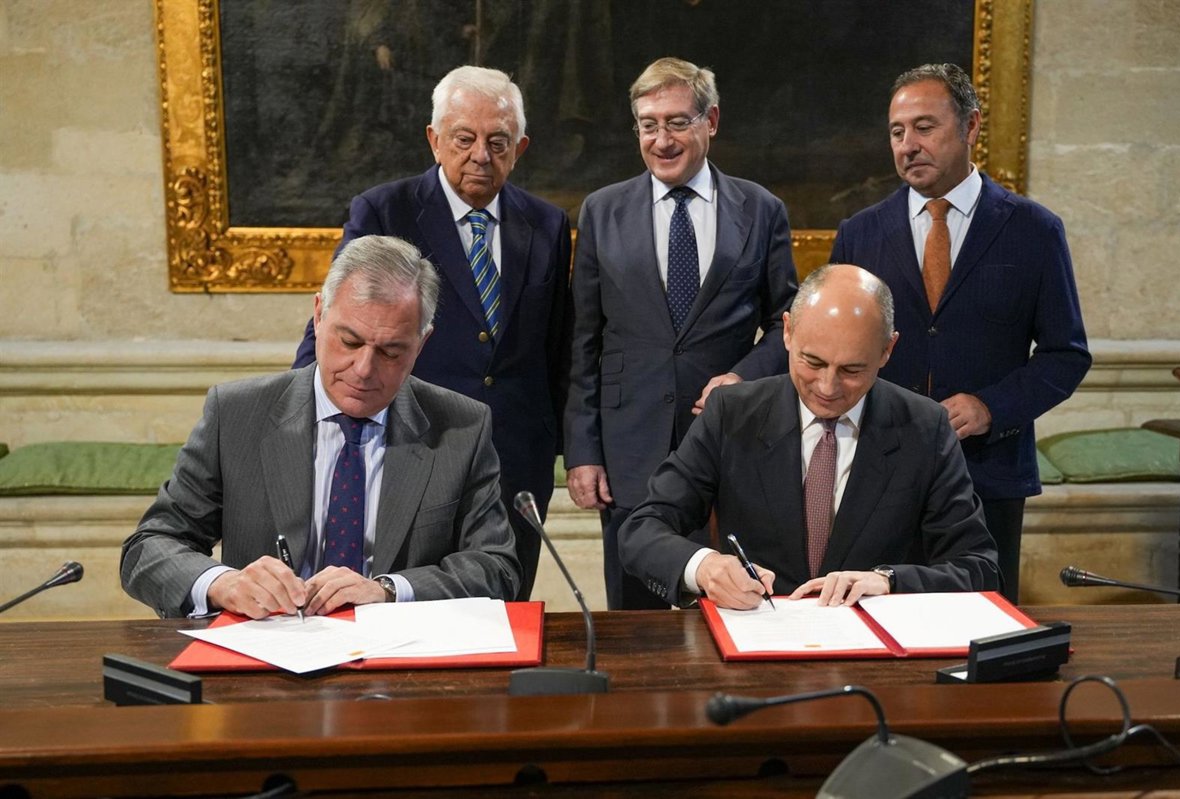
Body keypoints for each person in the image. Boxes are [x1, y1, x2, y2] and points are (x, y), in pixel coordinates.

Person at [122, 235, 521, 619]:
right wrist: (222, 583)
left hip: (399, 653)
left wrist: (389, 590)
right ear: (318, 315)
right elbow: (150, 547)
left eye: (390, 352)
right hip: (267, 649)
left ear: (421, 343)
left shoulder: (462, 427)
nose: (363, 369)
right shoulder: (236, 415)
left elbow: (497, 568)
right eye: (350, 342)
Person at [292, 66, 572, 602]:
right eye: (464, 139)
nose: (481, 156)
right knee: (403, 599)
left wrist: (570, 449)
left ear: (520, 148)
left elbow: (559, 346)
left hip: (517, 456)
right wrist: (295, 416)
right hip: (416, 442)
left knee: (502, 606)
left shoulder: (548, 224)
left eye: (498, 142)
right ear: (434, 139)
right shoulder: (385, 210)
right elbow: (335, 317)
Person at [829, 63, 1090, 603]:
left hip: (988, 474)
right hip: (876, 472)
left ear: (971, 126)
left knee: (981, 629)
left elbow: (1066, 355)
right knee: (874, 622)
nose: (908, 145)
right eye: (897, 132)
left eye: (924, 127)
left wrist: (991, 408)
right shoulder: (861, 233)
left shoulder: (1034, 229)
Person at [621, 264, 1000, 610]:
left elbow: (978, 568)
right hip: (757, 640)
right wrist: (703, 567)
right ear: (787, 331)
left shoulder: (925, 428)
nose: (827, 387)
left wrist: (888, 581)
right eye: (812, 362)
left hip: (872, 649)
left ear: (887, 350)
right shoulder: (730, 414)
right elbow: (643, 529)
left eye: (851, 370)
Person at [564, 57, 798, 609]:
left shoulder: (761, 209)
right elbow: (583, 341)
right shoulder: (602, 211)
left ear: (710, 121)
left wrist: (743, 376)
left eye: (676, 122)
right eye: (648, 125)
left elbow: (787, 323)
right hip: (629, 451)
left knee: (733, 606)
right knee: (633, 621)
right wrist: (582, 451)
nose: (661, 140)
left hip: (729, 445)